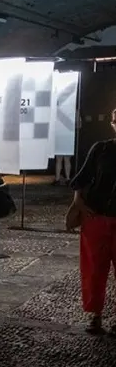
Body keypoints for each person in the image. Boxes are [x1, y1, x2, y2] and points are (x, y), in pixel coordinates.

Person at [68, 108, 116, 334]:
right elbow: (81, 179)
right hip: (97, 217)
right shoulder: (101, 149)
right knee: (94, 270)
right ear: (113, 123)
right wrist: (78, 204)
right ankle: (95, 315)